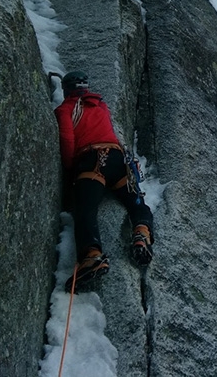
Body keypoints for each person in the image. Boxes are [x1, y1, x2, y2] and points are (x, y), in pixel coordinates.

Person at [55, 70, 154, 292]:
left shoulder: (66, 109)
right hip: (119, 161)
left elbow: (67, 139)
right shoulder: (100, 105)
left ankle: (92, 257)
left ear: (67, 90)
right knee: (135, 202)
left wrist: (71, 168)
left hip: (92, 161)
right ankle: (141, 233)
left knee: (85, 209)